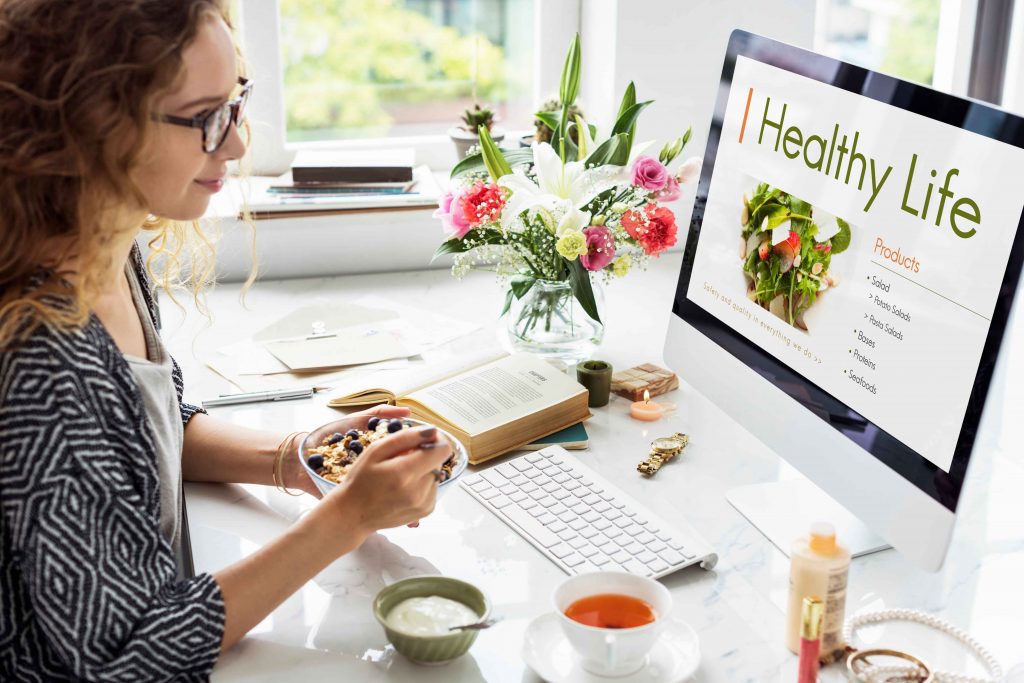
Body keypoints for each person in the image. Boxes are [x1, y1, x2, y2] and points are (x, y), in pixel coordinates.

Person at [0, 2, 452, 680]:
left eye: (237, 102)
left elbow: (142, 439)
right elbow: (126, 653)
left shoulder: (107, 247)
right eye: (207, 116)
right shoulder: (43, 360)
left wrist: (295, 458)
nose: (237, 144)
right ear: (97, 126)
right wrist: (348, 519)